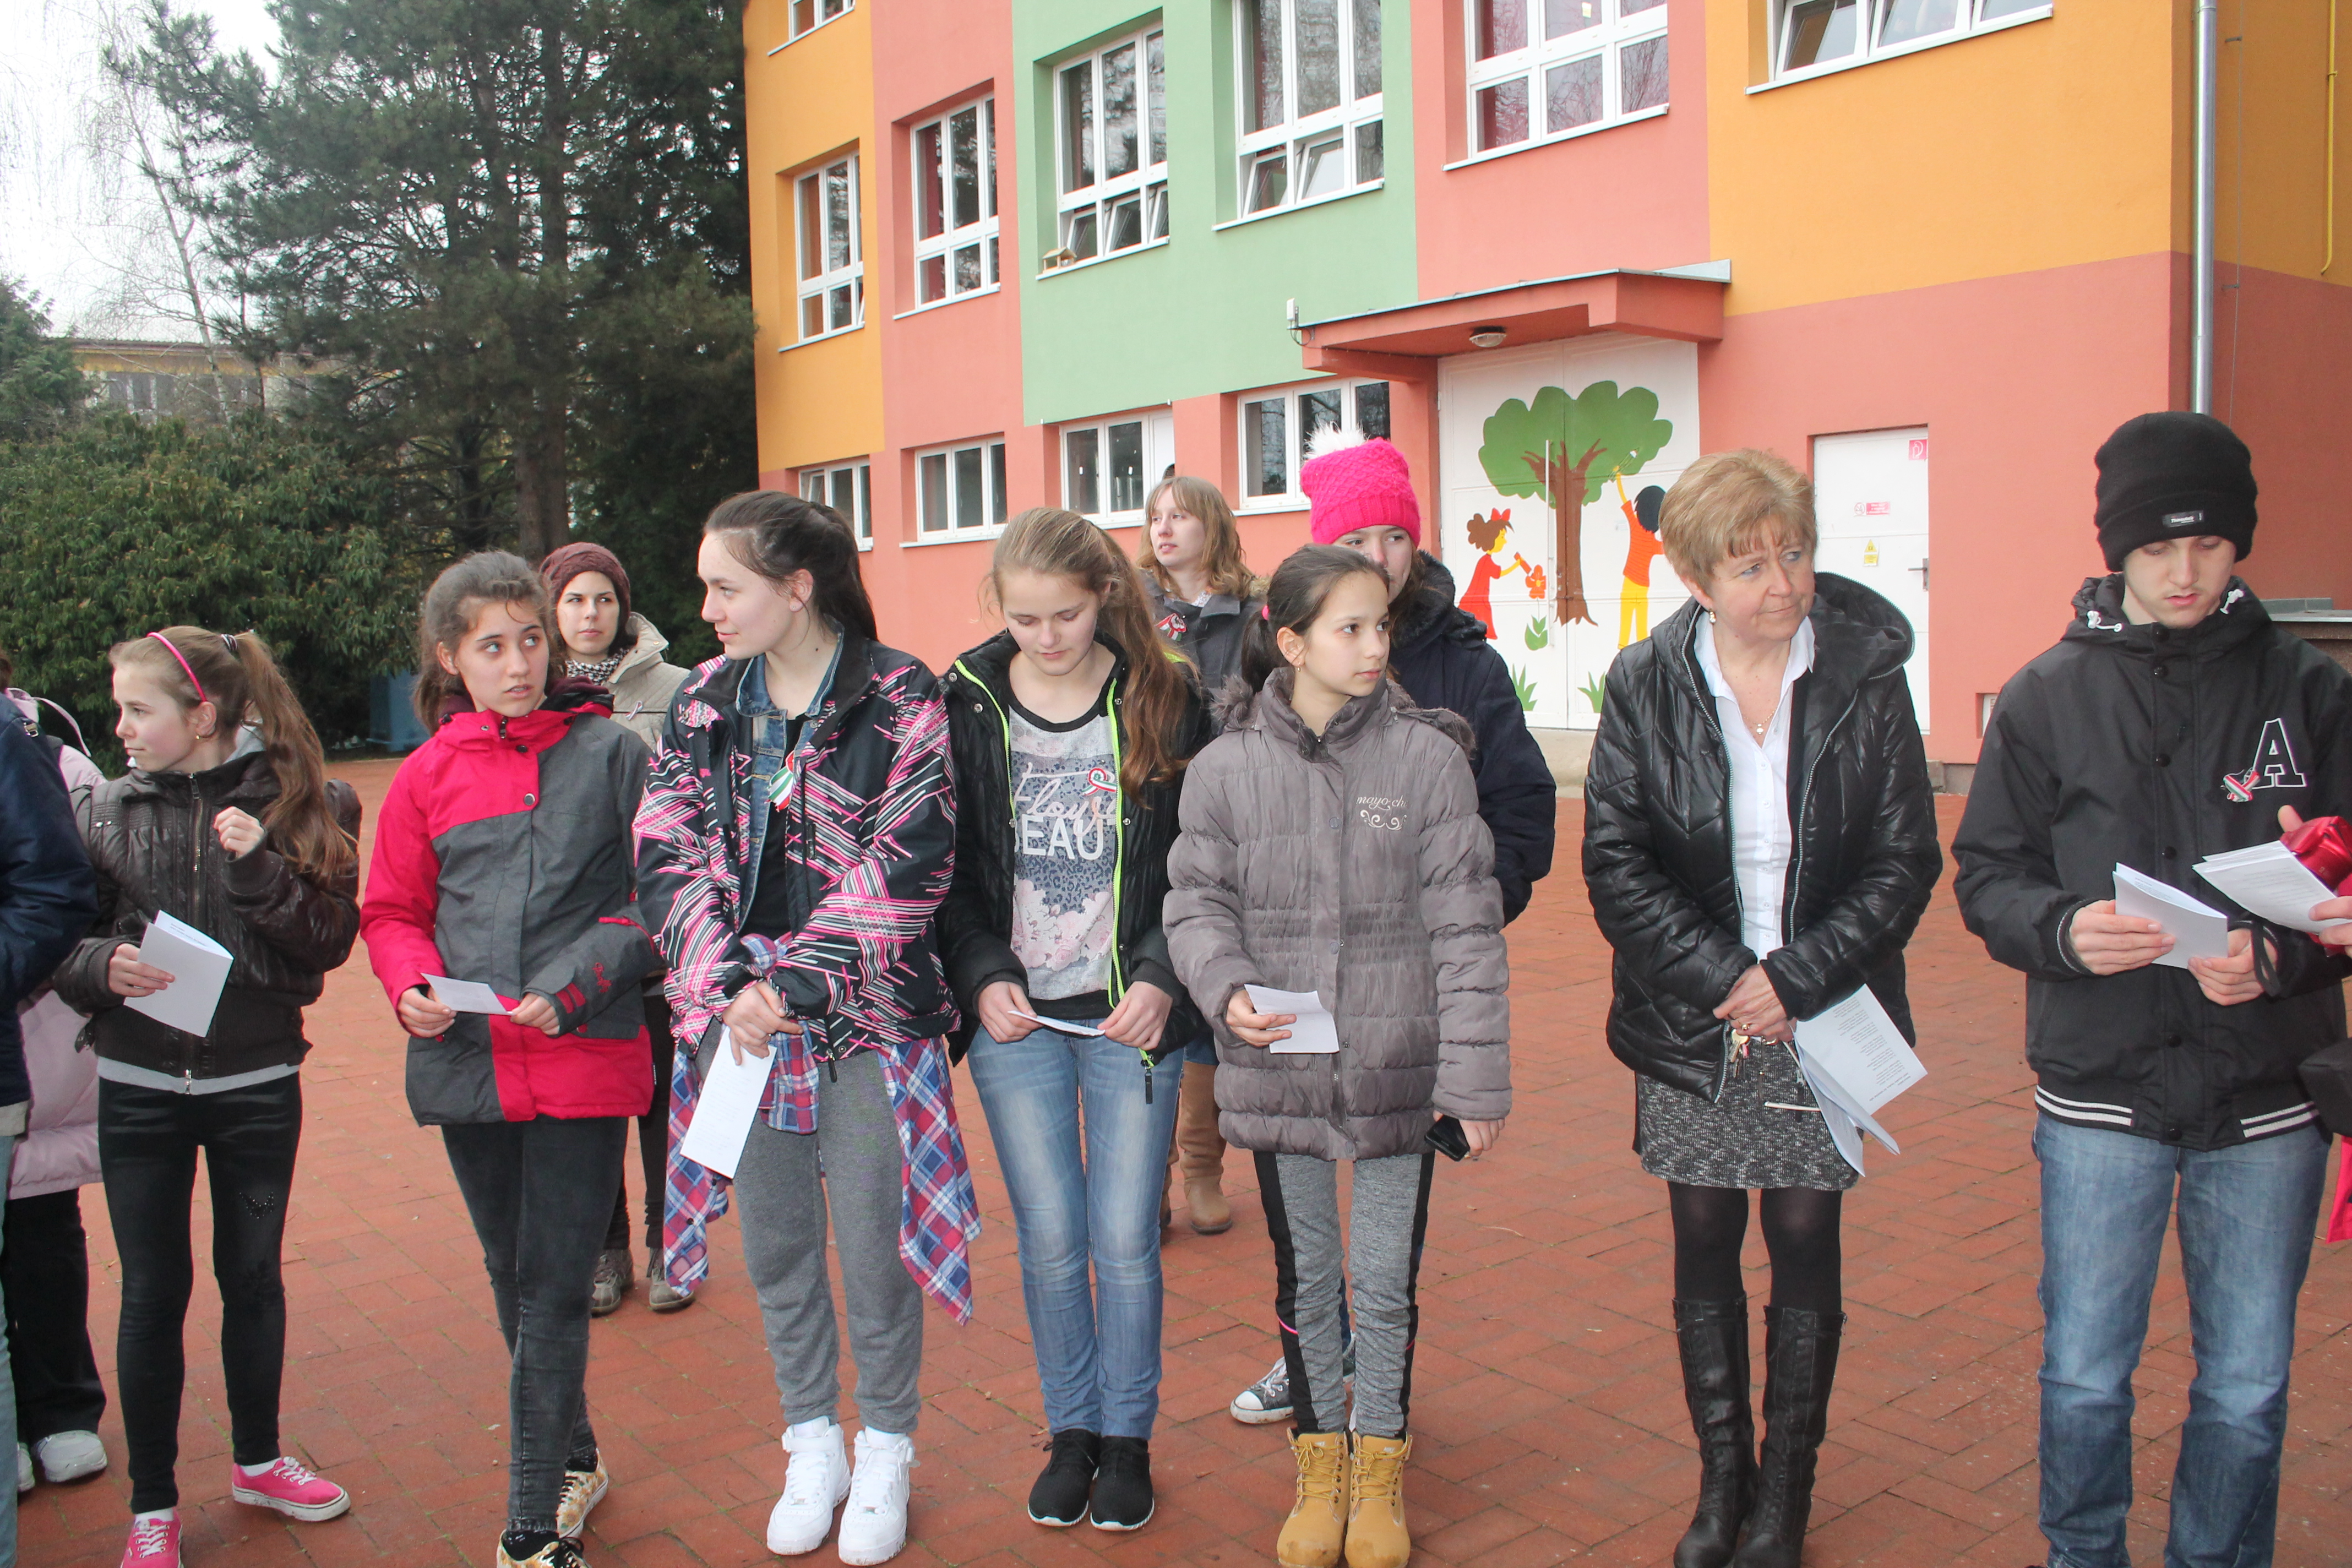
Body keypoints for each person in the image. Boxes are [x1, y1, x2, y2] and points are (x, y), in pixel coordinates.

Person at [1953, 412, 2352, 1568]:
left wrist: (2281, 954)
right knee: (2084, 1372)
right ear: (2115, 548)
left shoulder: (2311, 691)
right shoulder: (2044, 695)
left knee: (2247, 1382)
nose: (2185, 571)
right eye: (2158, 546)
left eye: (2210, 544)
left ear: (2240, 545)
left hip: (2267, 1089)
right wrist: (2063, 928)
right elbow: (1987, 874)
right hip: (2101, 1089)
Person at [1581, 451, 1940, 1568]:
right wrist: (1728, 979)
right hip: (1695, 1013)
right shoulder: (1643, 682)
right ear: (1694, 579)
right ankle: (1721, 1480)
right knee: (1702, 1231)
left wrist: (1794, 979)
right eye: (1749, 566)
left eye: (1793, 553)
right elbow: (1615, 862)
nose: (1782, 583)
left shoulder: (1865, 677)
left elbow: (1904, 860)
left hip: (1819, 1009)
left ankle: (1784, 1492)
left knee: (1802, 1232)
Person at [637, 493, 975, 1566]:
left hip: (867, 1021)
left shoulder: (900, 692)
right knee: (778, 1242)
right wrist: (725, 980)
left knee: (875, 1246)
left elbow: (911, 858)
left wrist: (792, 980)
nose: (707, 609)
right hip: (735, 1021)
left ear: (797, 587)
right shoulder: (703, 702)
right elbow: (664, 846)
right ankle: (811, 1440)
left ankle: (886, 1447)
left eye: (725, 586)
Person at [1167, 544, 1509, 1568]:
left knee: (1385, 1281)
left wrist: (1474, 1082)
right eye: (1348, 627)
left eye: (1381, 626)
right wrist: (1226, 986)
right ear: (1291, 642)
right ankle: (1319, 1466)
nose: (1372, 646)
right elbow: (1195, 901)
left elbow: (1466, 930)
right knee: (1308, 1274)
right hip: (1281, 1067)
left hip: (1399, 1065)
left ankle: (1380, 1466)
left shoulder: (1428, 760)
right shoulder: (1224, 769)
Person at [1228, 429, 1559, 1427]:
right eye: (1356, 538)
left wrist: (1459, 910)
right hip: (1288, 986)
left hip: (1402, 996)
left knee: (1385, 1229)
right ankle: (1309, 1358)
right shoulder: (1274, 654)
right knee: (1296, 1220)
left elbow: (1522, 814)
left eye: (1395, 536)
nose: (1380, 556)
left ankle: (1380, 1406)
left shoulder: (1463, 664)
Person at [361, 554, 660, 1568]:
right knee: (512, 1271)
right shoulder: (424, 775)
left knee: (552, 1283)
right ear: (452, 658)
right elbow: (392, 910)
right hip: (469, 1062)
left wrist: (576, 980)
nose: (521, 662)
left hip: (584, 1055)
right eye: (493, 646)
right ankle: (574, 1456)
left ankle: (530, 1527)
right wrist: (408, 982)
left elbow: (659, 898)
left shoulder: (613, 754)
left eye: (531, 639)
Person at [51, 628, 364, 1568]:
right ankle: (153, 1508)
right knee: (152, 1291)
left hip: (257, 1089)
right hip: (139, 1090)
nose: (120, 727)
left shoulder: (307, 802)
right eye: (119, 708)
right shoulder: (103, 809)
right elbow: (61, 938)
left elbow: (328, 942)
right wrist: (102, 966)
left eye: (138, 710)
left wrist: (258, 866)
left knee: (253, 1277)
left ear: (203, 717)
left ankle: (258, 1460)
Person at [941, 507, 1212, 1532]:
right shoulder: (964, 700)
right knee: (1052, 1237)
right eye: (1024, 619)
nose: (1046, 637)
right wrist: (979, 972)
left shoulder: (1165, 694)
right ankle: (1073, 1432)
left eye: (1065, 614)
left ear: (1103, 593)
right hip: (1016, 1017)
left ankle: (1128, 1437)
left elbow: (1201, 861)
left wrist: (1162, 974)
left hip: (1130, 1015)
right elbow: (945, 866)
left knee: (1124, 1238)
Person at [540, 541, 696, 1316]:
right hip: (577, 928)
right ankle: (606, 1250)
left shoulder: (678, 688)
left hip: (659, 918)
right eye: (574, 599)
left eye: (604, 598)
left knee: (664, 1095)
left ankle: (672, 1243)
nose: (591, 613)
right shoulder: (534, 695)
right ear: (552, 609)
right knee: (593, 1099)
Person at [1137, 475, 1261, 1238]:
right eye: (1156, 517)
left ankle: (1203, 1168)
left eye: (1180, 516)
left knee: (1215, 996)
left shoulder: (1253, 615)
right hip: (1151, 822)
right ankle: (1146, 1177)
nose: (1164, 528)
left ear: (1213, 525)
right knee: (1150, 993)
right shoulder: (1131, 609)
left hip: (1230, 828)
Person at [6, 669, 108, 1498]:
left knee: (42, 1229)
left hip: (40, 1034)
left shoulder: (43, 750)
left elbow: (67, 890)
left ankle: (62, 1404)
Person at [1456, 508, 1536, 640]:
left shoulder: (1486, 560)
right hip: (1477, 600)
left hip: (1480, 599)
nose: (1505, 541)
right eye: (1502, 537)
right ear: (1492, 538)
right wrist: (1517, 565)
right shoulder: (1486, 561)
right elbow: (1500, 573)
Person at [1619, 480, 1667, 649]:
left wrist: (1619, 479)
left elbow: (1625, 500)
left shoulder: (1635, 526)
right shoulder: (1654, 544)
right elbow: (1666, 548)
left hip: (1629, 582)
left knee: (1626, 621)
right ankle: (1644, 652)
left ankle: (1622, 648)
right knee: (1642, 625)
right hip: (1643, 586)